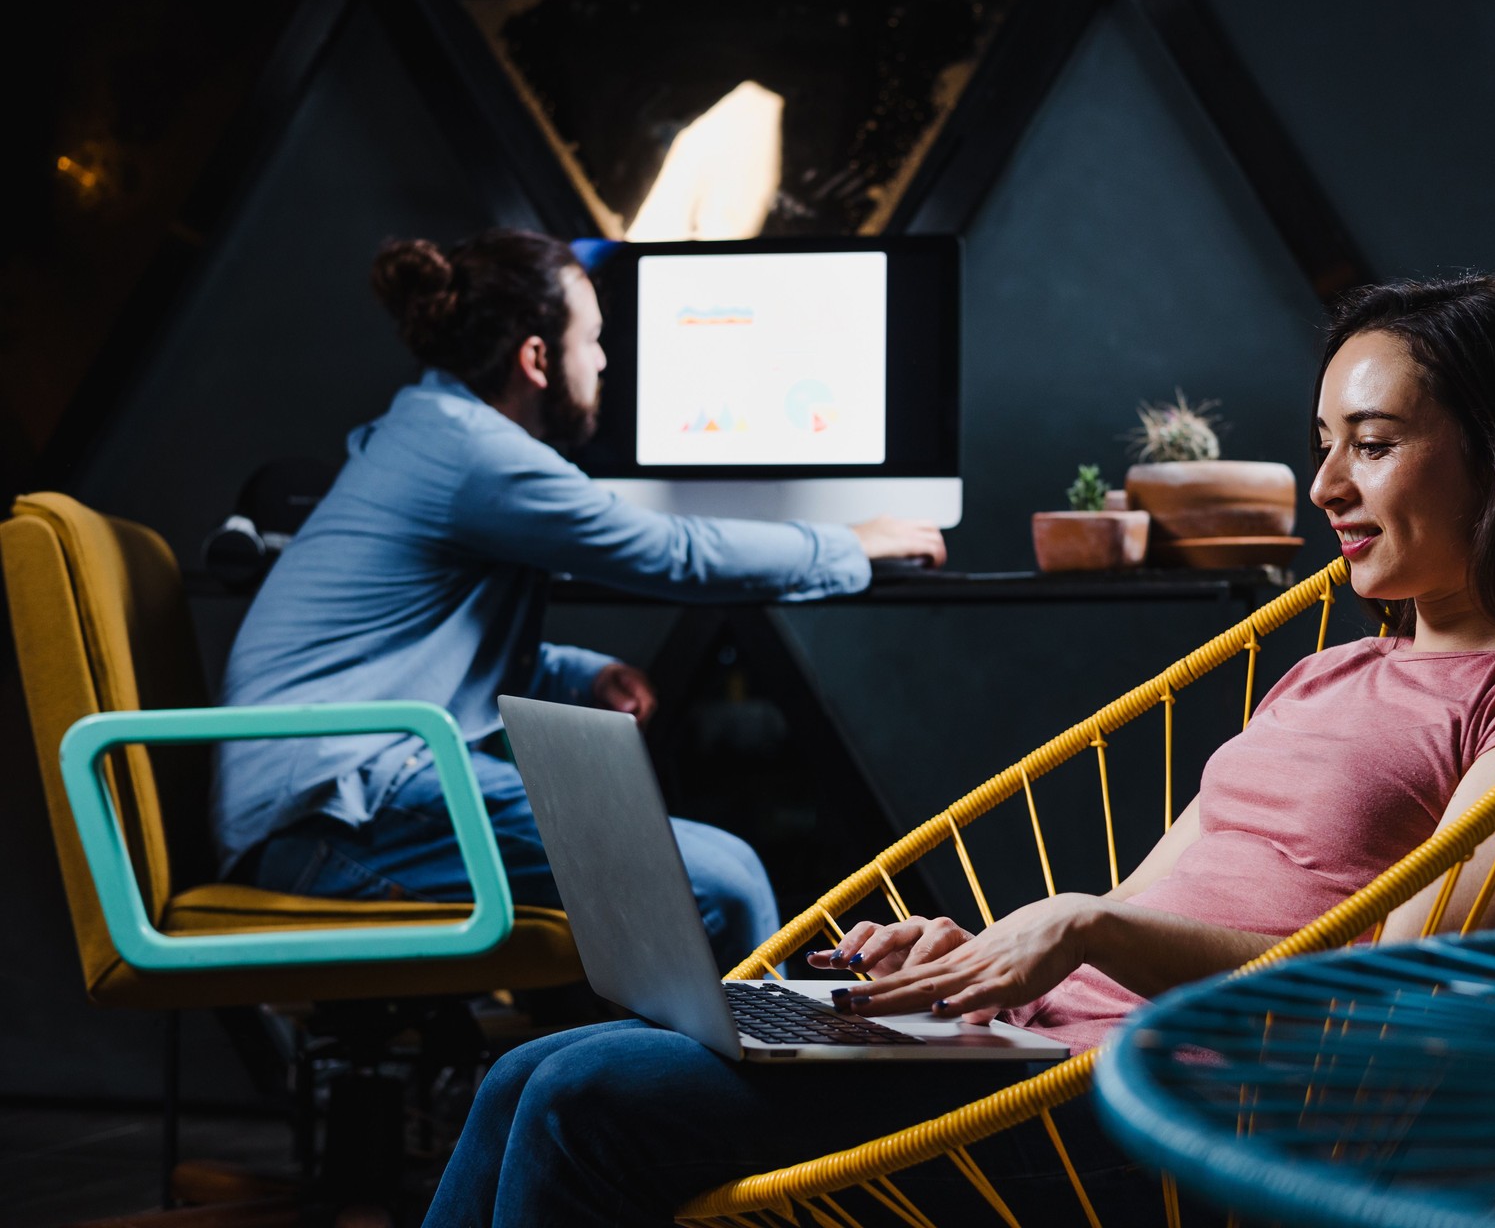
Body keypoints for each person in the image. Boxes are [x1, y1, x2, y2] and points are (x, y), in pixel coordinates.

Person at [420, 274, 1495, 1227]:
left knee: (592, 1101)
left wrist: (1087, 930)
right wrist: (989, 958)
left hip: (1167, 1110)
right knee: (534, 1063)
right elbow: (1144, 906)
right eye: (1325, 439)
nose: (1326, 482)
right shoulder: (1331, 665)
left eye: (1375, 443)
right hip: (1032, 1046)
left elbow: (1396, 996)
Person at [212, 228, 946, 970]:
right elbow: (675, 554)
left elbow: (419, 640)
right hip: (334, 817)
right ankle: (755, 1088)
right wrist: (851, 542)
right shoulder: (474, 454)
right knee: (723, 884)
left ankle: (687, 1081)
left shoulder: (436, 432)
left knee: (710, 880)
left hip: (338, 797)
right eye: (591, 340)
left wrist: (576, 673)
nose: (602, 361)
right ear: (535, 359)